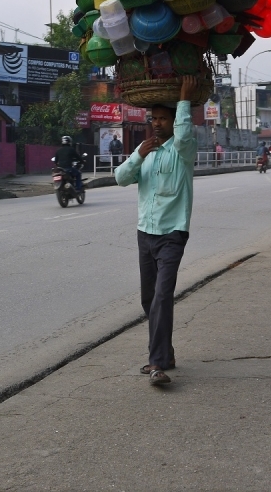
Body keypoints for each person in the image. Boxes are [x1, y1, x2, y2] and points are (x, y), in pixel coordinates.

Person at [114, 75, 199, 386]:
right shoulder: (145, 151)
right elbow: (120, 178)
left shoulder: (183, 151)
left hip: (172, 235)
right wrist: (139, 155)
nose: (158, 123)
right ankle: (166, 353)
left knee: (163, 296)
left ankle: (157, 363)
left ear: (174, 122)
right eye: (155, 118)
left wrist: (184, 102)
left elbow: (184, 135)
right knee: (149, 298)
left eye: (164, 118)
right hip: (144, 234)